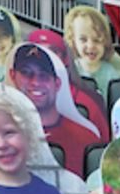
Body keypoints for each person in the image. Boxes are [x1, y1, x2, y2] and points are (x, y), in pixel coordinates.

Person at [12, 42, 96, 174]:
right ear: (12, 76)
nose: (35, 82)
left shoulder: (86, 137)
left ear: (57, 83)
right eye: (26, 73)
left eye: (44, 75)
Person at [62, 4, 120, 88]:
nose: (90, 46)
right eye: (83, 40)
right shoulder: (70, 71)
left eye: (97, 40)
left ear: (105, 43)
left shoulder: (110, 73)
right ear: (73, 41)